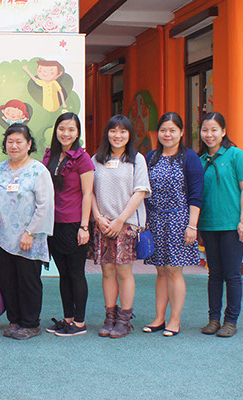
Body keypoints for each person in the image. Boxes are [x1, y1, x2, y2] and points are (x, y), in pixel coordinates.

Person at [89, 115, 151, 339]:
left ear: (129, 135)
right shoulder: (97, 159)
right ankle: (110, 317)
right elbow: (89, 192)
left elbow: (140, 192)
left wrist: (120, 220)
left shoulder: (137, 159)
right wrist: (98, 217)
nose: (118, 135)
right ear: (107, 133)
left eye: (123, 131)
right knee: (107, 271)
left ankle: (124, 319)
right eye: (113, 131)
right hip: (103, 224)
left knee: (124, 271)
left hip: (127, 223)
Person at [142, 113, 203, 337]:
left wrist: (192, 226)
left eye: (172, 130)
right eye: (163, 130)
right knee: (160, 271)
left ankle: (174, 320)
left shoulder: (190, 158)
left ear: (181, 132)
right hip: (155, 219)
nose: (167, 134)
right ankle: (159, 318)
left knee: (174, 270)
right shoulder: (151, 157)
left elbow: (196, 195)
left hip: (179, 219)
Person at [0, 123, 54, 340]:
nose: (14, 146)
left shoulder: (38, 171)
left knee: (28, 281)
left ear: (29, 144)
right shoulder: (0, 169)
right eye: (10, 141)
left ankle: (31, 323)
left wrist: (30, 233)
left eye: (19, 141)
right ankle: (15, 320)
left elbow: (45, 206)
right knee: (7, 280)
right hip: (4, 237)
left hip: (29, 238)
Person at [198, 112, 243, 338]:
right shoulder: (200, 160)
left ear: (223, 131)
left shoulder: (235, 155)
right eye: (205, 130)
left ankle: (230, 321)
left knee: (232, 275)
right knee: (214, 274)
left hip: (232, 226)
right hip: (208, 226)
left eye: (214, 130)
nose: (209, 134)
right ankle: (213, 319)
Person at [42, 113, 94, 337]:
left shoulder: (83, 159)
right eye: (62, 128)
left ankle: (80, 322)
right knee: (63, 274)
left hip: (74, 224)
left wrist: (84, 226)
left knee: (76, 273)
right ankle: (68, 318)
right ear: (56, 130)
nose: (66, 133)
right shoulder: (50, 155)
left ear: (78, 132)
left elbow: (88, 193)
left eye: (71, 129)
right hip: (53, 224)